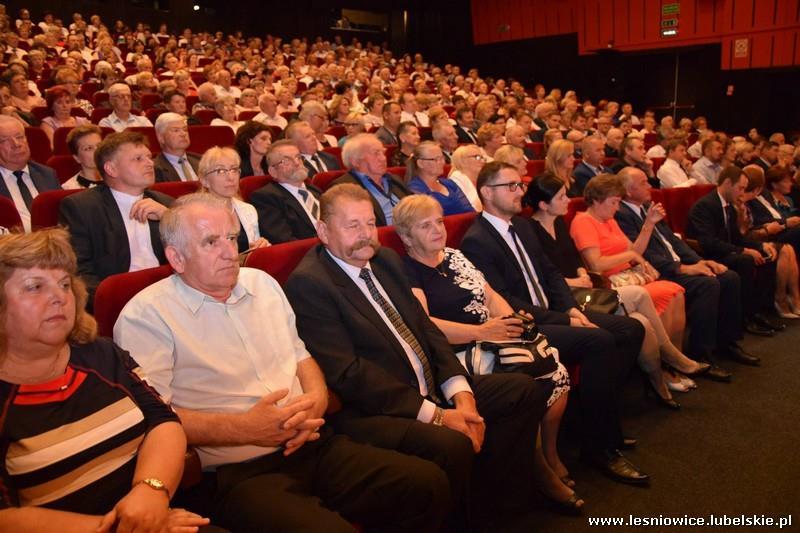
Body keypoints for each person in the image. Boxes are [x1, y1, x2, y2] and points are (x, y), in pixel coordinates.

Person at [114, 193, 449, 532]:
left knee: (425, 484)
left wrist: (316, 402)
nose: (229, 251)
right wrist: (244, 428)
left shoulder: (263, 283)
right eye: (211, 242)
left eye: (231, 238)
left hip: (312, 443)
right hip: (239, 472)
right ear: (176, 257)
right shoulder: (146, 316)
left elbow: (301, 356)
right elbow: (156, 417)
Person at [284, 184, 553, 526]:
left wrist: (462, 395)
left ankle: (501, 508)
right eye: (353, 226)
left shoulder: (384, 260)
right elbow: (350, 373)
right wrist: (438, 415)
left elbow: (425, 329)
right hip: (379, 409)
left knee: (521, 391)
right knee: (451, 443)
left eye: (370, 223)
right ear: (323, 230)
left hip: (431, 387)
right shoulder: (311, 283)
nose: (366, 234)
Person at [0, 228, 208, 533]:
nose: (59, 297)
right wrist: (129, 526)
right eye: (34, 287)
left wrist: (151, 492)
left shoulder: (101, 354)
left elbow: (164, 421)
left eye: (64, 284)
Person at [460, 162, 649, 484]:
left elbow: (549, 272)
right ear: (486, 193)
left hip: (557, 312)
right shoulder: (477, 240)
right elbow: (506, 300)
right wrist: (565, 318)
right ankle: (597, 447)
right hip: (528, 325)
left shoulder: (522, 226)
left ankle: (593, 422)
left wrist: (572, 309)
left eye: (520, 185)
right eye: (511, 186)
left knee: (632, 329)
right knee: (600, 341)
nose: (520, 192)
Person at [394, 194, 583, 513]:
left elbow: (491, 295)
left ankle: (549, 453)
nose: (437, 230)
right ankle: (539, 470)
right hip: (458, 348)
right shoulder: (406, 270)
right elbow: (424, 326)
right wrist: (482, 333)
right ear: (406, 236)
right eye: (425, 226)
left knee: (554, 366)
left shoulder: (454, 256)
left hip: (491, 335)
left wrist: (512, 325)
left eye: (439, 221)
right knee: (528, 381)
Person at [615, 167, 752, 376]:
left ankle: (727, 343)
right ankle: (700, 353)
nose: (650, 185)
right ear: (628, 190)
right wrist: (683, 268)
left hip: (676, 264)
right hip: (660, 271)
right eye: (643, 182)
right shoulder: (621, 215)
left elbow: (674, 242)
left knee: (729, 277)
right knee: (708, 284)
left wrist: (702, 262)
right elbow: (644, 256)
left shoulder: (646, 208)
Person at [59, 131, 173, 308]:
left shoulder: (165, 202)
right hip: (119, 300)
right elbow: (79, 271)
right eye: (138, 159)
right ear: (111, 169)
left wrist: (170, 218)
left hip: (169, 294)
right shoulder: (81, 207)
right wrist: (112, 303)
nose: (150, 163)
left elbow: (195, 253)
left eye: (149, 157)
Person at [686, 165, 782, 337]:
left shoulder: (728, 206)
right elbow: (708, 243)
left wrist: (760, 246)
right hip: (708, 256)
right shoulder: (705, 205)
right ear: (728, 183)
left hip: (724, 251)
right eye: (741, 188)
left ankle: (758, 311)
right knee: (745, 260)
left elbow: (736, 237)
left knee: (767, 254)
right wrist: (743, 250)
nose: (742, 193)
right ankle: (744, 317)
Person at [740, 166, 800, 319]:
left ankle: (794, 298)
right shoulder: (747, 200)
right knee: (788, 245)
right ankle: (780, 299)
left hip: (775, 228)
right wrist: (784, 223)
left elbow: (772, 215)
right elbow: (754, 226)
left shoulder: (764, 194)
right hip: (767, 234)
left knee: (788, 249)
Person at [197, 146, 269, 254]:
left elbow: (254, 251)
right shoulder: (196, 216)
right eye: (221, 171)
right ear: (204, 180)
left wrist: (263, 246)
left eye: (234, 170)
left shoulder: (248, 210)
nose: (231, 177)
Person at [250, 139, 322, 243]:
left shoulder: (315, 191)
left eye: (298, 157)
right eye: (286, 161)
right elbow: (284, 240)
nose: (297, 163)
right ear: (273, 171)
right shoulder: (266, 198)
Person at [331, 133, 411, 226]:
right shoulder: (343, 188)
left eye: (383, 153)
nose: (383, 158)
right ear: (356, 161)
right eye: (376, 153)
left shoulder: (394, 179)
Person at [0, 115, 61, 232]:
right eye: (4, 140)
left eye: (20, 137)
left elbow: (64, 216)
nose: (16, 144)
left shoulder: (47, 174)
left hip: (52, 243)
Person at [406, 142, 474, 216]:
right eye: (436, 159)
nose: (442, 162)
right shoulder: (415, 188)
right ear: (420, 163)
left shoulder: (449, 183)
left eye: (442, 158)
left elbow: (470, 212)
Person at [153, 112, 200, 182]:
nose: (183, 134)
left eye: (185, 129)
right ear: (161, 137)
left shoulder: (200, 160)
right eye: (176, 130)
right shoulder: (155, 168)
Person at [62, 124, 103, 189]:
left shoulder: (118, 178)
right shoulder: (69, 188)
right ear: (77, 158)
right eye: (89, 148)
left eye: (99, 145)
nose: (97, 151)